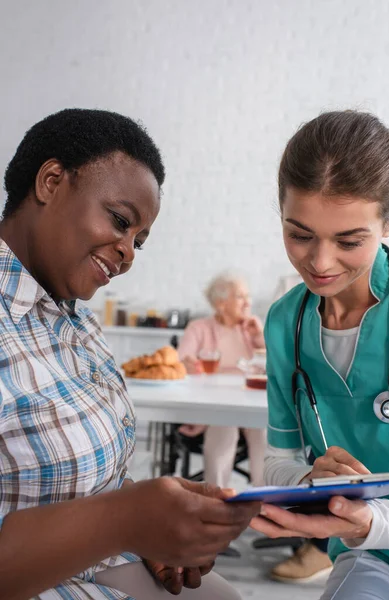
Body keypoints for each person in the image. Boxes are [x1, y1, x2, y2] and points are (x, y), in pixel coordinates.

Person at [0, 108, 261, 600]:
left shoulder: (80, 326)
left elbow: (99, 484)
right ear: (51, 181)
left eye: (139, 240)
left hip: (96, 566)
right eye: (120, 221)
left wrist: (151, 530)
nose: (129, 252)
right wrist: (124, 520)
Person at [250, 110, 389, 598]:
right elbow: (278, 460)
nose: (319, 262)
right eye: (300, 234)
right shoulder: (284, 323)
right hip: (372, 558)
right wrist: (311, 478)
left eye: (349, 240)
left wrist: (368, 520)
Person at [178, 273, 267, 488]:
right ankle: (217, 496)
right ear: (221, 303)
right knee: (224, 424)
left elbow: (273, 364)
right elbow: (181, 360)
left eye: (248, 296)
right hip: (213, 401)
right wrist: (189, 364)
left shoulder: (251, 328)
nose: (248, 302)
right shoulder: (198, 328)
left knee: (263, 428)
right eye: (240, 297)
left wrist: (259, 336)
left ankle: (265, 496)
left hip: (249, 399)